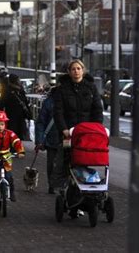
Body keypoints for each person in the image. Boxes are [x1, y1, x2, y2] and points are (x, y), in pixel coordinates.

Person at [52, 59, 103, 204]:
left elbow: (97, 110)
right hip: (69, 132)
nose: (76, 71)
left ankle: (87, 188)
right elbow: (58, 112)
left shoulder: (91, 88)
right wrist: (64, 129)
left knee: (85, 158)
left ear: (83, 70)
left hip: (87, 132)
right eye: (73, 69)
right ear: (69, 72)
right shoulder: (62, 90)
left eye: (79, 68)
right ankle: (65, 189)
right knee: (67, 160)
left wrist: (96, 128)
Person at [34, 87, 61, 194]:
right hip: (54, 139)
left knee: (53, 163)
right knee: (53, 163)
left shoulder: (49, 102)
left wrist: (39, 140)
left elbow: (40, 122)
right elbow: (41, 122)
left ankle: (55, 184)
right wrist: (39, 140)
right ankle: (53, 184)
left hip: (55, 139)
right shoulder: (49, 102)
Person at [0, 73, 32, 143]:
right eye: (18, 80)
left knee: (19, 136)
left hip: (21, 118)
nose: (19, 81)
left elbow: (25, 103)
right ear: (14, 81)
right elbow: (1, 104)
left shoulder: (21, 91)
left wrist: (29, 114)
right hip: (11, 118)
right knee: (12, 135)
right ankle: (12, 150)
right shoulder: (7, 91)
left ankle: (16, 149)